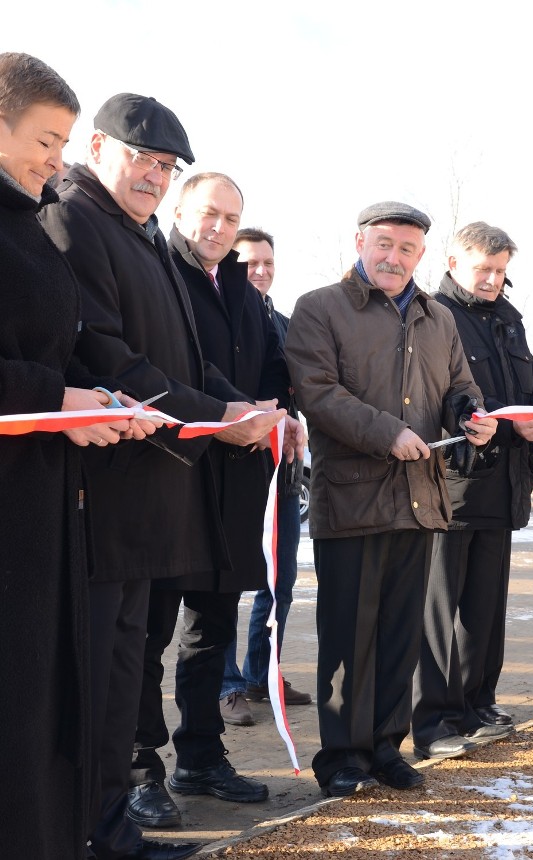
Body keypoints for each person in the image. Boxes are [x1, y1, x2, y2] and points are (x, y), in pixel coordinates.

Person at [40, 93, 291, 860]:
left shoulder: (137, 232)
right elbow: (110, 358)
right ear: (94, 146)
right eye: (142, 158)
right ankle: (92, 826)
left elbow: (178, 357)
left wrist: (232, 404)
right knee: (103, 681)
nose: (153, 174)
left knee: (119, 676)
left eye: (164, 165)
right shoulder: (74, 216)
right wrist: (215, 412)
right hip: (105, 489)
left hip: (150, 493)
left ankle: (112, 828)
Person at [285, 201, 498, 798]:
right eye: (383, 243)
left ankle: (385, 748)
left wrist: (472, 416)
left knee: (399, 635)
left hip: (419, 499)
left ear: (422, 255)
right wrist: (387, 432)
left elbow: (461, 385)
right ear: (360, 242)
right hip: (352, 501)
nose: (393, 256)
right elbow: (317, 393)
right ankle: (342, 758)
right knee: (349, 636)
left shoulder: (438, 319)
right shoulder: (320, 308)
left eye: (406, 248)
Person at [0, 51, 150, 860]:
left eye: (63, 145)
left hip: (42, 509)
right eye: (46, 139)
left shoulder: (28, 224)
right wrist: (52, 399)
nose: (56, 161)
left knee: (37, 715)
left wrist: (92, 405)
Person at [127, 174, 303, 828]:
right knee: (150, 632)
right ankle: (140, 766)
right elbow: (178, 368)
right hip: (170, 474)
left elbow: (276, 365)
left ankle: (201, 753)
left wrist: (282, 410)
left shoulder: (239, 286)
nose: (220, 228)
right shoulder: (157, 268)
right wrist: (237, 405)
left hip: (234, 484)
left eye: (231, 218)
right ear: (181, 210)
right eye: (209, 214)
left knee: (210, 628)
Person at [412, 222, 533, 760]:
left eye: (500, 271)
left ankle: (477, 703)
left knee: (486, 606)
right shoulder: (432, 315)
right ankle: (435, 718)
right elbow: (447, 397)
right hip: (454, 484)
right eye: (483, 269)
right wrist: (520, 424)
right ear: (452, 261)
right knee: (441, 607)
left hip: (505, 484)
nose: (492, 280)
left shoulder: (508, 319)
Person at [218, 227, 312, 728]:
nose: (260, 272)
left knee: (280, 583)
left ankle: (261, 674)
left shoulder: (286, 323)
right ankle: (228, 684)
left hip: (283, 472)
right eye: (250, 263)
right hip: (235, 470)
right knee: (228, 585)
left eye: (268, 264)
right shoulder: (218, 316)